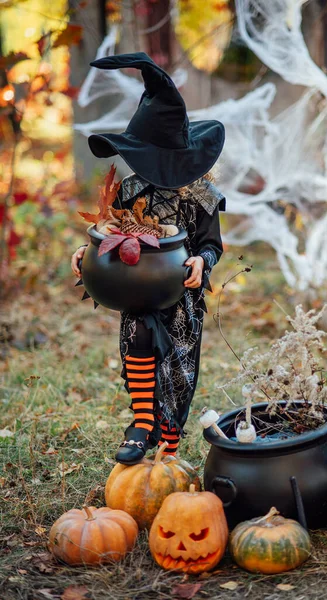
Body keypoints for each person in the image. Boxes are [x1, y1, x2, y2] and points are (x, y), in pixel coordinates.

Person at [71, 52, 225, 465]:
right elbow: (109, 230)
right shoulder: (130, 190)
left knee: (175, 368)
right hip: (135, 286)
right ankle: (141, 425)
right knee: (139, 339)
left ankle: (169, 449)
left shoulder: (201, 197)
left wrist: (202, 262)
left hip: (180, 293)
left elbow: (212, 244)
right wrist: (87, 253)